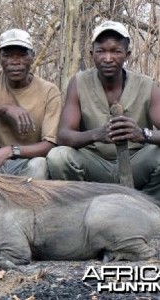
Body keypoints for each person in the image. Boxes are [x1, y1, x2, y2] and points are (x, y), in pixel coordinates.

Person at [47, 20, 160, 202]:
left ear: (127, 54)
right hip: (95, 164)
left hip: (136, 162)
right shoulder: (79, 82)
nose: (108, 58)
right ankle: (81, 208)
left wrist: (142, 134)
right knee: (58, 157)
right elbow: (64, 136)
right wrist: (97, 134)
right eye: (101, 51)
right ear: (92, 53)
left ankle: (150, 209)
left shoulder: (147, 85)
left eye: (115, 51)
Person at [0, 28, 62, 179]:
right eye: (7, 55)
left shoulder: (49, 91)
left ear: (32, 57)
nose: (15, 61)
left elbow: (49, 144)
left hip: (26, 160)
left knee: (39, 165)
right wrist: (3, 109)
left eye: (22, 55)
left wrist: (11, 151)